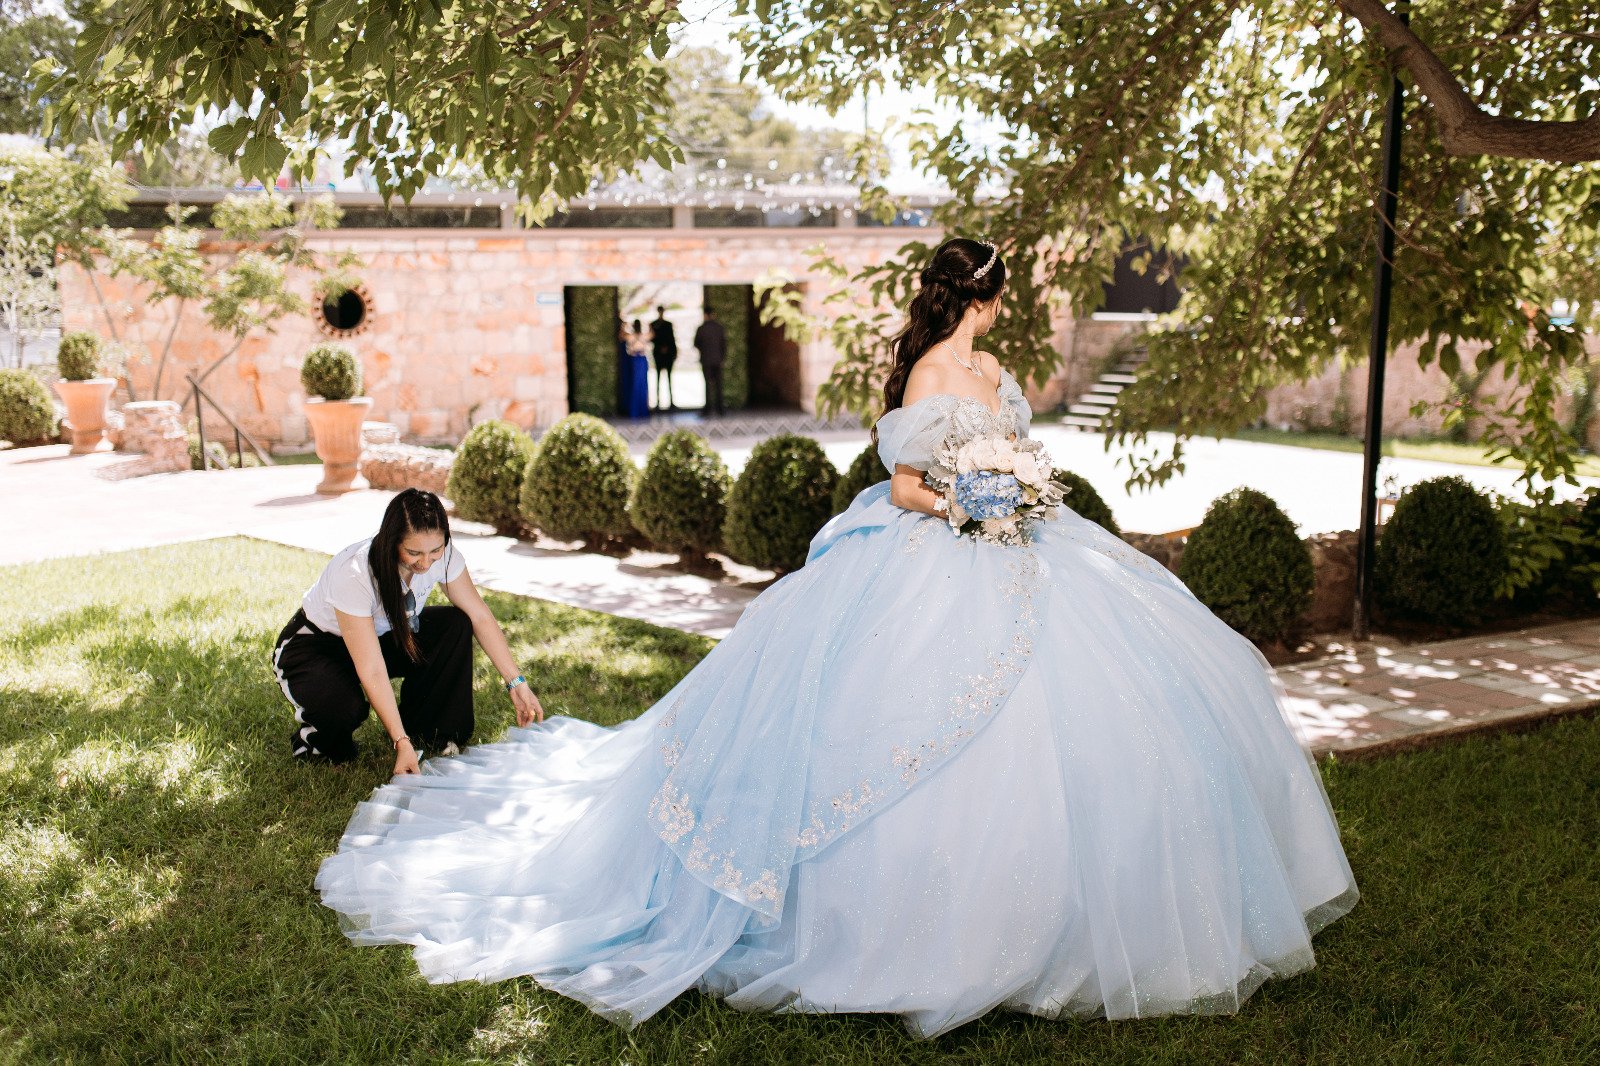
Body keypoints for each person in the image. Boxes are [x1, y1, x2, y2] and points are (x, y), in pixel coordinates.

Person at [316, 238, 1358, 1037]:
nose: (1002, 312)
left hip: (1030, 547)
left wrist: (1019, 495)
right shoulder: (926, 378)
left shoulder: (995, 371)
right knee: (903, 722)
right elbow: (904, 486)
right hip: (935, 552)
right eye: (1001, 297)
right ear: (985, 297)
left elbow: (1008, 453)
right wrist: (968, 505)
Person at [273, 488, 544, 774]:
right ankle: (316, 745)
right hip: (316, 647)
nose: (425, 563)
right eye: (413, 552)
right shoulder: (355, 572)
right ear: (392, 541)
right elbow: (371, 668)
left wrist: (516, 682)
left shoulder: (445, 557)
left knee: (455, 624)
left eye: (435, 551)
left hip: (381, 636)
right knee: (342, 709)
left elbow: (480, 616)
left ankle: (432, 730)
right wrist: (400, 742)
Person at [693, 305, 726, 416]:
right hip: (717, 360)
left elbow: (696, 343)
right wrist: (722, 358)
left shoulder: (701, 329)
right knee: (718, 385)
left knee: (707, 385)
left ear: (705, 315)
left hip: (706, 360)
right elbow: (724, 344)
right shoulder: (719, 328)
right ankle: (720, 409)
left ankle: (708, 409)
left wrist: (704, 350)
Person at [650, 305, 677, 410]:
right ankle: (657, 401)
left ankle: (671, 401)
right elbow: (653, 339)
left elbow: (671, 339)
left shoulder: (668, 324)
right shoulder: (653, 324)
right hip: (658, 355)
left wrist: (672, 352)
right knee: (658, 378)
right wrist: (660, 348)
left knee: (669, 378)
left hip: (668, 355)